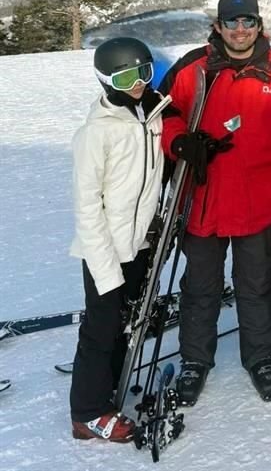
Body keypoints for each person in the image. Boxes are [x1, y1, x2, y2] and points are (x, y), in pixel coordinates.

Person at [159, 0, 271, 406]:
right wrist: (181, 144)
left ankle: (259, 358)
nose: (240, 30)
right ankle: (194, 360)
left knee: (256, 284)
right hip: (202, 199)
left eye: (248, 22)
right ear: (218, 26)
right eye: (231, 22)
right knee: (201, 286)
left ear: (259, 25)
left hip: (257, 202)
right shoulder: (194, 68)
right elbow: (165, 114)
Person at [69, 37, 173, 443]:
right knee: (101, 327)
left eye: (144, 73)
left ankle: (109, 388)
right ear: (105, 81)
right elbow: (86, 207)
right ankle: (88, 413)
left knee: (126, 322)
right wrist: (104, 263)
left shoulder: (151, 115)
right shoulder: (95, 133)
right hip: (105, 248)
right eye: (127, 77)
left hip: (139, 244)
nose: (138, 84)